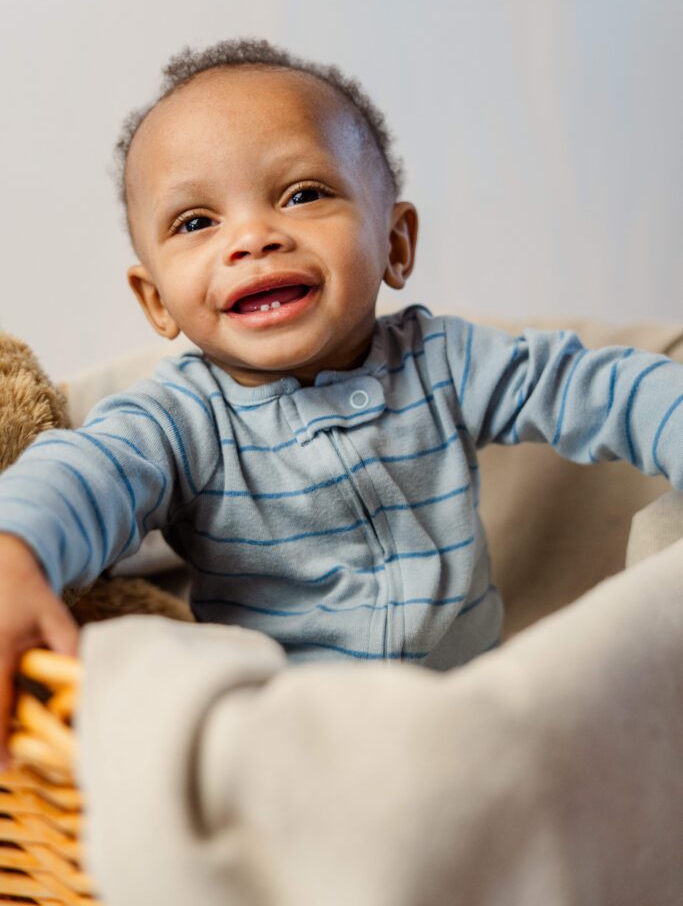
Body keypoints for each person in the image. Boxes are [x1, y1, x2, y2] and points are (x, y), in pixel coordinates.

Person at [1, 38, 682, 770]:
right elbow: (82, 473)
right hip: (287, 749)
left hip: (470, 717)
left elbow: (603, 386)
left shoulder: (445, 363)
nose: (254, 238)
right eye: (196, 222)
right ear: (154, 299)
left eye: (303, 194)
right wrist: (16, 552)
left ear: (394, 242)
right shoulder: (176, 420)